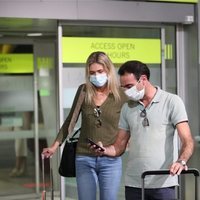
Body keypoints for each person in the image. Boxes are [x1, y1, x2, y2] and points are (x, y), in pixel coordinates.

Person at [93, 60, 194, 200]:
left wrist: (181, 161)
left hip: (163, 182)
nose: (127, 92)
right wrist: (104, 150)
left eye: (129, 86)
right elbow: (119, 146)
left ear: (144, 79)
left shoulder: (172, 101)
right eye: (123, 87)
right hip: (134, 183)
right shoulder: (127, 108)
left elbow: (187, 140)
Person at [42, 51, 128, 200]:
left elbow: (130, 123)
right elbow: (71, 121)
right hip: (84, 158)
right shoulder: (84, 90)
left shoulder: (122, 94)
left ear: (108, 70)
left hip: (111, 160)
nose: (96, 76)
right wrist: (54, 147)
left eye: (100, 71)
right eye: (92, 73)